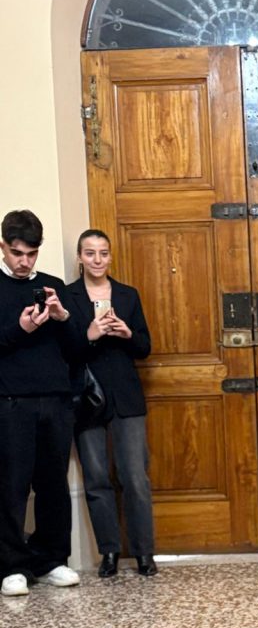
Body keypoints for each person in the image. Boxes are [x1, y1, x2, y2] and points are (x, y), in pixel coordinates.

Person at [0, 210, 82, 597]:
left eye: (32, 254)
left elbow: (78, 349)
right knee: (11, 486)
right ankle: (12, 566)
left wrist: (63, 318)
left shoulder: (53, 287)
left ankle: (51, 559)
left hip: (56, 400)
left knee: (53, 485)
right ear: (3, 246)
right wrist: (20, 329)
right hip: (10, 401)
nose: (24, 262)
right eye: (17, 253)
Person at [67, 229, 156, 578]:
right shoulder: (68, 295)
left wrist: (127, 333)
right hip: (87, 398)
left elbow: (145, 347)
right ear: (80, 257)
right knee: (96, 478)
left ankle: (144, 552)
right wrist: (89, 335)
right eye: (90, 253)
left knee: (135, 477)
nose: (97, 260)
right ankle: (109, 552)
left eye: (103, 253)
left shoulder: (127, 295)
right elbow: (64, 351)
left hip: (126, 397)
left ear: (110, 256)